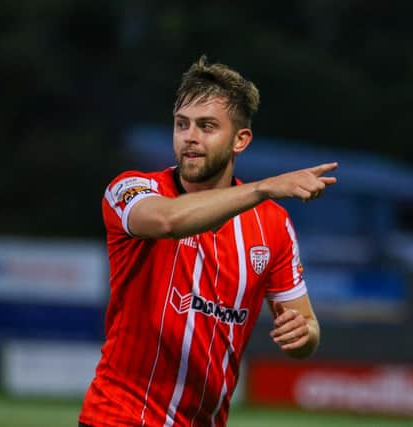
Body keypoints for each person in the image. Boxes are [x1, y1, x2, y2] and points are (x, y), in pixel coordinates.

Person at [78, 55, 337, 427]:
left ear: (240, 139)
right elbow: (168, 221)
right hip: (120, 416)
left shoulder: (272, 225)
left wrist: (303, 335)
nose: (190, 138)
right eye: (181, 125)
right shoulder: (132, 189)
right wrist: (264, 188)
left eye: (207, 126)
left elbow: (308, 328)